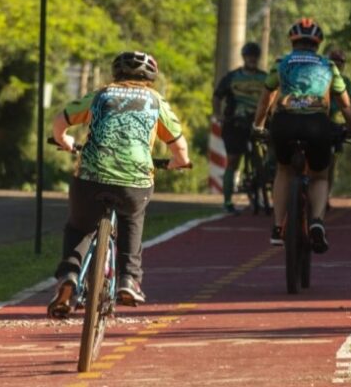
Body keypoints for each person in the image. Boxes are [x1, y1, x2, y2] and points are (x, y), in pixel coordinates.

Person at [47, 51, 190, 318]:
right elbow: (179, 146)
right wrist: (178, 162)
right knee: (132, 220)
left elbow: (60, 121)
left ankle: (68, 277)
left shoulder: (100, 95)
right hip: (134, 180)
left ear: (116, 74)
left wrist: (63, 141)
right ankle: (129, 280)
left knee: (79, 227)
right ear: (150, 78)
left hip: (91, 175)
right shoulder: (156, 101)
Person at [252, 18, 351, 252]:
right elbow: (345, 103)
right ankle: (317, 221)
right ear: (318, 43)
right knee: (320, 176)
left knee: (284, 169)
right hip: (317, 124)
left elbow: (265, 99)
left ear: (293, 41)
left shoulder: (281, 63)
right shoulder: (329, 66)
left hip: (284, 122)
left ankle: (278, 227)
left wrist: (258, 126)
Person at [212, 42, 268, 213]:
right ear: (244, 57)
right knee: (233, 160)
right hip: (236, 122)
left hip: (260, 122)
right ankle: (228, 202)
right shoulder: (232, 77)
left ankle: (267, 179)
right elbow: (217, 96)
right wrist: (218, 115)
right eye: (249, 56)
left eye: (255, 56)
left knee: (273, 151)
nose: (252, 59)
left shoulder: (265, 78)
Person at [326, 49, 351, 206]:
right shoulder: (322, 77)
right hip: (320, 120)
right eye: (334, 61)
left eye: (341, 62)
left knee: (331, 164)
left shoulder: (346, 81)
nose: (338, 64)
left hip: (337, 125)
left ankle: (324, 197)